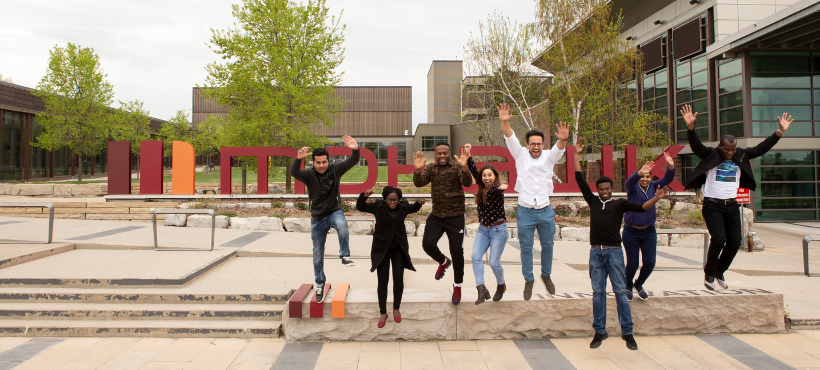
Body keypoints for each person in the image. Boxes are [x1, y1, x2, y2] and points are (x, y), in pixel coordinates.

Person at [680, 104, 792, 290]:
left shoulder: (741, 155)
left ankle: (719, 270)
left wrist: (779, 131)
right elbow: (696, 145)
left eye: (732, 150)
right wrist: (691, 128)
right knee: (718, 239)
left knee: (734, 242)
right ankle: (709, 273)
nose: (730, 153)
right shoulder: (710, 154)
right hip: (712, 205)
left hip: (732, 205)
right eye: (726, 150)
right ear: (720, 147)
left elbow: (762, 148)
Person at [574, 142, 667, 351]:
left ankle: (628, 332)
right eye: (601, 189)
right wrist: (576, 155)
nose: (605, 191)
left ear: (611, 189)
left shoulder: (620, 203)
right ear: (597, 191)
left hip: (615, 253)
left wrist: (656, 199)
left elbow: (642, 208)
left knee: (619, 292)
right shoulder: (594, 202)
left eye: (608, 189)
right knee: (598, 292)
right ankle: (600, 331)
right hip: (596, 253)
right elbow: (579, 180)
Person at [499, 103, 569, 299]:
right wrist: (504, 121)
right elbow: (510, 137)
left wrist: (563, 139)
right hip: (525, 211)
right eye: (533, 144)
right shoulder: (520, 155)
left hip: (545, 210)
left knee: (548, 246)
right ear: (527, 144)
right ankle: (528, 279)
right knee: (526, 247)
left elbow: (559, 147)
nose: (536, 147)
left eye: (539, 144)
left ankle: (546, 275)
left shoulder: (549, 157)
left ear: (542, 145)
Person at [290, 135, 361, 303]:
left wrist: (356, 149)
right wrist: (297, 159)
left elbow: (353, 161)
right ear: (313, 163)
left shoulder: (335, 170)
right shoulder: (308, 175)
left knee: (343, 226)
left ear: (328, 161)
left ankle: (344, 256)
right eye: (318, 162)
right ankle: (320, 283)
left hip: (334, 211)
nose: (321, 166)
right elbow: (294, 172)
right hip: (317, 218)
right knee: (317, 254)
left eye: (324, 162)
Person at [413, 142, 473, 305]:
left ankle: (457, 285)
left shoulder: (456, 167)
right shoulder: (431, 168)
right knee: (427, 244)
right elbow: (419, 183)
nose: (442, 156)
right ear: (435, 154)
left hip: (455, 217)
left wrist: (465, 167)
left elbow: (467, 183)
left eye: (445, 153)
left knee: (456, 252)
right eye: (439, 153)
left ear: (449, 153)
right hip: (437, 216)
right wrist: (418, 169)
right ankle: (443, 261)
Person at [356, 186, 424, 328]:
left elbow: (413, 208)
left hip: (398, 247)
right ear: (385, 199)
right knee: (383, 280)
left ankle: (396, 308)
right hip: (382, 248)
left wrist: (419, 203)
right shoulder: (377, 206)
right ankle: (383, 312)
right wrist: (364, 196)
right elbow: (360, 206)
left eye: (395, 200)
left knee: (398, 278)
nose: (392, 202)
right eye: (389, 200)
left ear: (399, 200)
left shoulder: (403, 206)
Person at [622, 153, 676, 301]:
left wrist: (670, 166)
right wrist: (639, 172)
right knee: (632, 263)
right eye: (643, 176)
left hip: (649, 232)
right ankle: (627, 285)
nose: (645, 179)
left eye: (648, 176)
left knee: (650, 262)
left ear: (651, 178)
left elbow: (667, 179)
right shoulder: (632, 188)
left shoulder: (654, 186)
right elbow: (629, 181)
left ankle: (638, 284)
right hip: (631, 231)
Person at [462, 143, 509, 304]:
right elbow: (473, 168)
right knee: (475, 257)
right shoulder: (481, 187)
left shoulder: (496, 190)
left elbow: (500, 188)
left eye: (490, 175)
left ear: (495, 176)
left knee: (494, 262)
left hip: (498, 230)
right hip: (483, 230)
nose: (486, 178)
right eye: (484, 175)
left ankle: (501, 285)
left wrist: (500, 187)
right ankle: (481, 289)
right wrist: (468, 154)